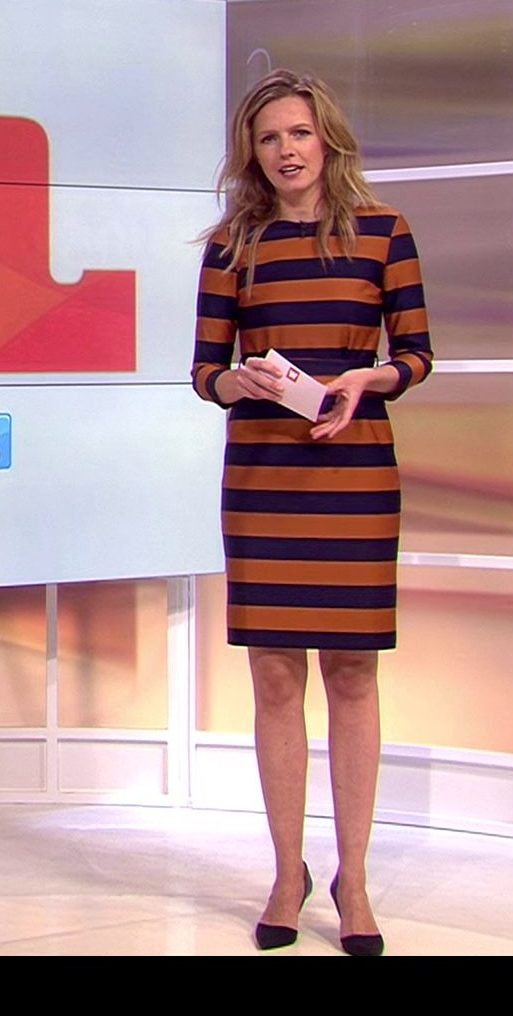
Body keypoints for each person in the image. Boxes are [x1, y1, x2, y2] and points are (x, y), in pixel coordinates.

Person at [193, 69, 433, 956]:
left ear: (326, 138)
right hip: (264, 472)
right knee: (274, 676)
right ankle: (285, 873)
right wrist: (241, 382)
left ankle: (354, 880)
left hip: (354, 471)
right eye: (268, 138)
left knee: (354, 673)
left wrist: (371, 377)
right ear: (251, 154)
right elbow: (203, 372)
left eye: (298, 133)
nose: (286, 151)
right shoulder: (232, 245)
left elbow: (418, 354)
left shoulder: (385, 233)